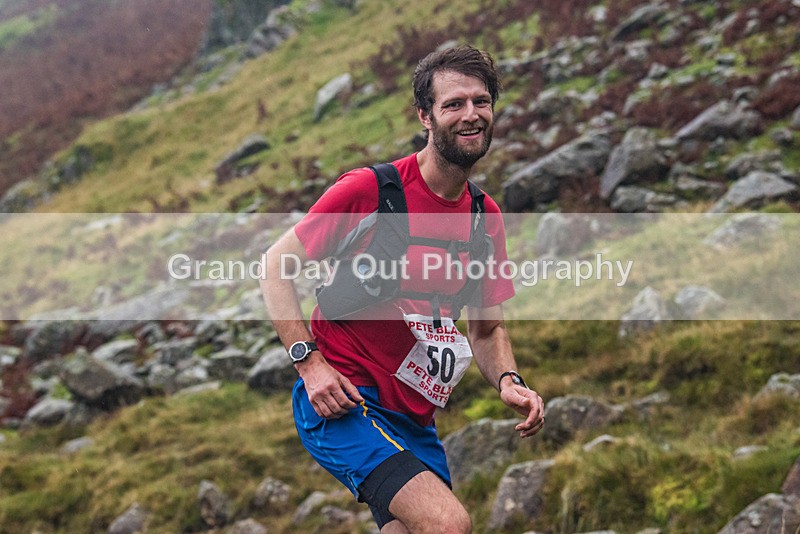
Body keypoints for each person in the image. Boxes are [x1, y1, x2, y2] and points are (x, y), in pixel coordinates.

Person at [261, 45, 545, 534]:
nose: (471, 114)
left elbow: (487, 328)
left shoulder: (484, 218)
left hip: (414, 418)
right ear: (426, 117)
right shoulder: (370, 191)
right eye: (453, 104)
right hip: (345, 401)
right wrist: (310, 365)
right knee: (447, 523)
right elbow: (273, 266)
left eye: (481, 101)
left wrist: (509, 382)